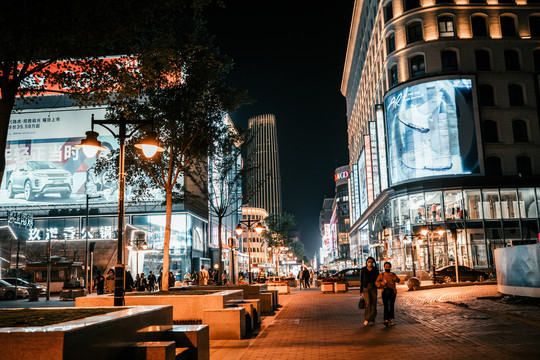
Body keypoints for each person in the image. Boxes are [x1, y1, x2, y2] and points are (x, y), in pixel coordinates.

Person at [376, 262, 400, 326]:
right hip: (385, 292)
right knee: (386, 306)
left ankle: (392, 319)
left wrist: (395, 278)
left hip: (392, 292)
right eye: (386, 267)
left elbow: (398, 280)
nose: (387, 268)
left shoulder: (393, 274)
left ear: (390, 267)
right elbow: (377, 282)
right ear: (384, 267)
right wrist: (381, 284)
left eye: (388, 267)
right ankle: (386, 319)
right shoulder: (382, 275)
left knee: (392, 306)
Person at [360, 257, 379, 326]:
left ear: (373, 262)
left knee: (373, 303)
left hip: (373, 287)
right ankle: (366, 319)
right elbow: (362, 280)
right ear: (366, 262)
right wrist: (361, 290)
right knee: (367, 304)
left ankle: (372, 319)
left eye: (371, 261)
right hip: (366, 288)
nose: (370, 262)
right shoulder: (363, 269)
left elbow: (378, 278)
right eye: (369, 261)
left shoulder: (375, 269)